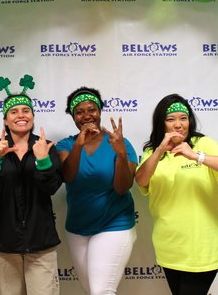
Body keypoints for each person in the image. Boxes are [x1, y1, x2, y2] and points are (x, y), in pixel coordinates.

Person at [135, 93, 218, 295]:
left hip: (202, 243)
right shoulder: (153, 151)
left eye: (183, 118)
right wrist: (160, 150)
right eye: (170, 119)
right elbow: (141, 180)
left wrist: (195, 156)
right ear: (161, 123)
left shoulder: (202, 143)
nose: (178, 125)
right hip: (169, 244)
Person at [0, 75, 63, 295]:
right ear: (5, 120)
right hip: (4, 243)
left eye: (26, 111)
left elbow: (52, 187)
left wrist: (43, 160)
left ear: (33, 117)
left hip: (41, 243)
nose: (20, 116)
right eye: (14, 112)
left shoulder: (45, 147)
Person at [56, 86, 138, 295]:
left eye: (91, 109)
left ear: (100, 111)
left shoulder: (121, 143)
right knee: (90, 289)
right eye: (79, 111)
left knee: (101, 290)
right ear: (73, 116)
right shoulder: (65, 145)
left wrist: (120, 154)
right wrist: (79, 145)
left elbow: (122, 187)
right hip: (77, 228)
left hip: (114, 224)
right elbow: (68, 176)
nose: (86, 116)